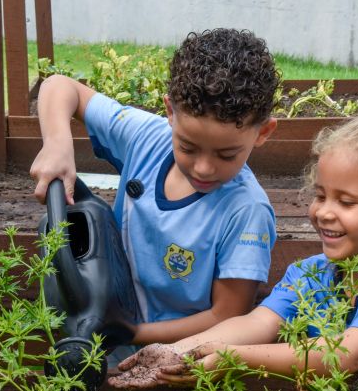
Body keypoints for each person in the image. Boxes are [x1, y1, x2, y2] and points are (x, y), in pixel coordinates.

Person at [109, 113, 358, 388]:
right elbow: (257, 323)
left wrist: (230, 360)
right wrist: (175, 355)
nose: (323, 212)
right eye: (320, 196)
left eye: (346, 202)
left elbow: (346, 355)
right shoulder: (311, 273)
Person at [30, 29, 280, 365]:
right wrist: (57, 143)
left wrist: (130, 332)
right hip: (109, 327)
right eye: (187, 147)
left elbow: (228, 316)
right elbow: (60, 86)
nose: (204, 168)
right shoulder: (147, 138)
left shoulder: (246, 210)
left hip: (179, 360)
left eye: (226, 154)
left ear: (262, 132)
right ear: (170, 112)